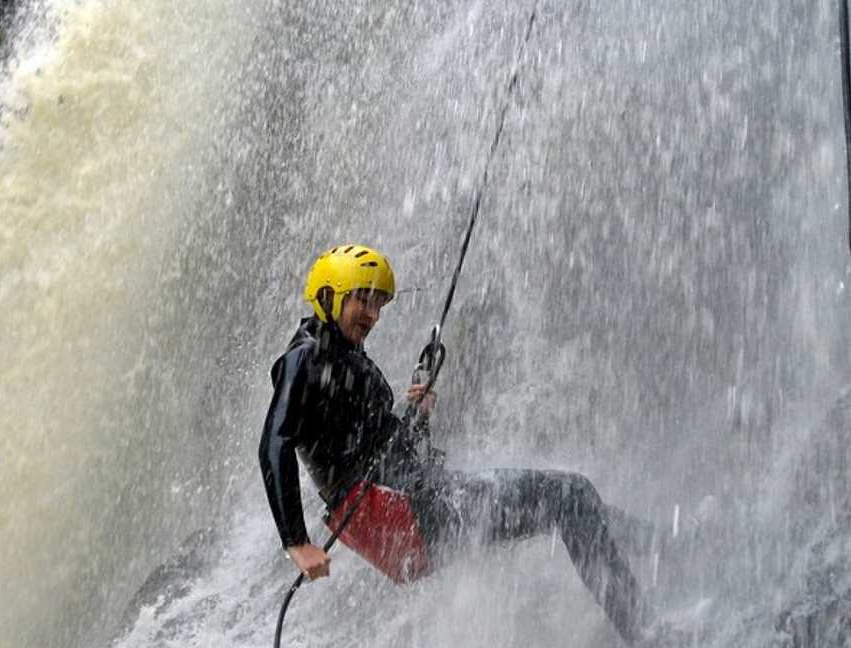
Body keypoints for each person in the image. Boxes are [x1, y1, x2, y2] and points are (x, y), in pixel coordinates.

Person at [259, 244, 657, 645]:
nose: (373, 315)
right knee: (571, 495)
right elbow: (274, 443)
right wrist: (296, 541)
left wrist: (416, 416)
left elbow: (381, 448)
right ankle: (648, 633)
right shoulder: (305, 358)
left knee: (577, 501)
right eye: (363, 300)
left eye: (379, 304)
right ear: (328, 295)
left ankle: (663, 546)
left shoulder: (340, 353)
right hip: (397, 518)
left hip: (402, 509)